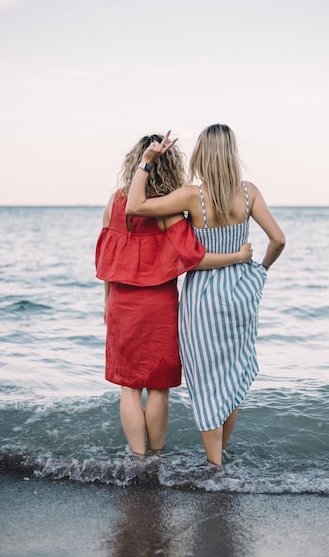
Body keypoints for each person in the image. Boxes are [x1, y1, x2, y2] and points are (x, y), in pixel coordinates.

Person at [126, 124, 286, 465]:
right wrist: (261, 270)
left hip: (203, 303)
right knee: (228, 383)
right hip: (241, 293)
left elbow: (135, 206)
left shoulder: (191, 196)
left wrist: (146, 161)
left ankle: (215, 468)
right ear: (232, 153)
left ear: (201, 154)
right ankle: (220, 460)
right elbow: (278, 240)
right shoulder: (249, 193)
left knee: (207, 387)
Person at [95, 133, 253, 457]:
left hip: (120, 304)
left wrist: (106, 301)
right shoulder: (168, 209)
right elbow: (194, 257)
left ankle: (138, 459)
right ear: (172, 166)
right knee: (158, 387)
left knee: (128, 387)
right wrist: (237, 258)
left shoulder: (115, 202)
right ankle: (156, 457)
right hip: (158, 306)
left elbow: (105, 260)